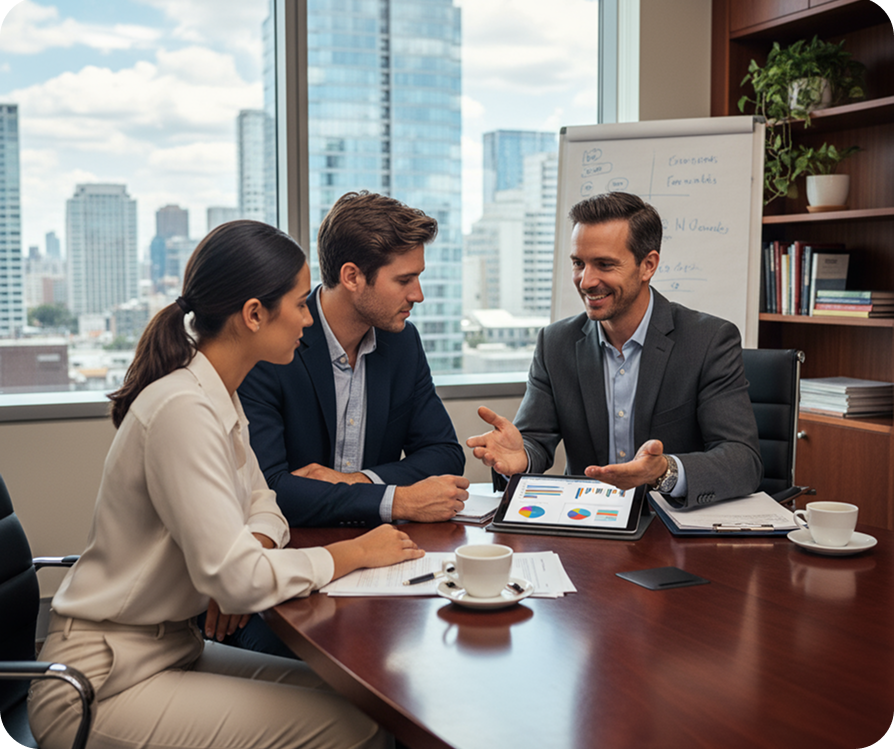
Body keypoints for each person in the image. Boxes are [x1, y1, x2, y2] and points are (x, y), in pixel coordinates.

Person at [29, 220, 423, 749]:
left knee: (366, 704)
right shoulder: (182, 408)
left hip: (170, 651)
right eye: (299, 304)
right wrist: (353, 553)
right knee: (356, 729)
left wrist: (252, 551)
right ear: (254, 314)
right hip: (102, 683)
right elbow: (236, 582)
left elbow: (267, 507)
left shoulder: (217, 392)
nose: (309, 318)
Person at [467, 192, 762, 508]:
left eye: (604, 264)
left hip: (668, 526)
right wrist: (521, 457)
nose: (586, 281)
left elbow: (743, 460)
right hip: (586, 521)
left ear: (647, 265)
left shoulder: (708, 340)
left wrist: (664, 471)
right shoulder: (555, 343)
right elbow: (534, 442)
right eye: (579, 263)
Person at [239, 190, 468, 530]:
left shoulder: (403, 341)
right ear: (351, 277)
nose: (418, 295)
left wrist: (358, 481)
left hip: (381, 545)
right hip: (294, 545)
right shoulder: (275, 344)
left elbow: (445, 453)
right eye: (404, 280)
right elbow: (268, 488)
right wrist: (397, 500)